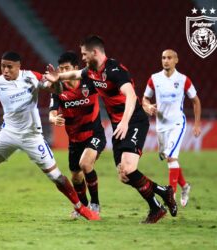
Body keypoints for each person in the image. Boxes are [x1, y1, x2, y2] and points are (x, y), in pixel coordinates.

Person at [0, 51, 100, 220]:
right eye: (2, 66)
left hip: (32, 136)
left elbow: (57, 91)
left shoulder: (31, 77)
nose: (5, 70)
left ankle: (80, 207)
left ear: (18, 67)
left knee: (56, 176)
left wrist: (56, 81)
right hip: (9, 133)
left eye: (9, 67)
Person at [45, 35, 177, 224]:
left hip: (133, 121)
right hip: (119, 125)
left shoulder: (115, 70)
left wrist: (124, 122)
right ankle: (163, 194)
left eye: (84, 54)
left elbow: (131, 96)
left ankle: (156, 208)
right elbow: (74, 74)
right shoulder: (91, 71)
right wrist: (58, 76)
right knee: (125, 175)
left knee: (130, 169)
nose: (82, 58)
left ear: (95, 52)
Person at [49, 51, 106, 219]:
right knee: (75, 176)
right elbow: (52, 111)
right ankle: (83, 206)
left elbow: (109, 91)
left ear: (75, 68)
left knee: (86, 164)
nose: (63, 72)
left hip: (94, 133)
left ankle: (95, 204)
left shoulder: (89, 81)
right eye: (61, 69)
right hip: (74, 139)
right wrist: (53, 118)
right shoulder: (58, 89)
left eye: (67, 68)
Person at [142, 49, 201, 207]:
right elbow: (145, 98)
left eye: (169, 58)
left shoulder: (183, 80)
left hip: (177, 124)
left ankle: (171, 196)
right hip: (161, 126)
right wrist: (147, 106)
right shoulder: (154, 78)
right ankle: (185, 186)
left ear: (176, 60)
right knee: (168, 159)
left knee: (171, 157)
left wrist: (196, 124)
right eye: (163, 58)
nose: (166, 60)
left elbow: (195, 101)